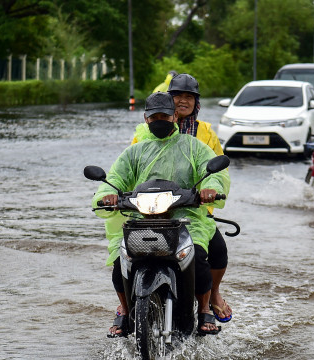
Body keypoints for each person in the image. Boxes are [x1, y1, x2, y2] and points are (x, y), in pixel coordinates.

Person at [94, 92, 230, 337]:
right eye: (154, 116)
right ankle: (124, 311)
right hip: (142, 219)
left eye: (164, 116)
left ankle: (203, 309)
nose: (159, 120)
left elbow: (212, 173)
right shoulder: (134, 152)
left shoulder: (193, 146)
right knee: (119, 264)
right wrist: (108, 194)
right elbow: (114, 178)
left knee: (198, 258)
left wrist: (211, 189)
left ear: (175, 116)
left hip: (185, 218)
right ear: (146, 119)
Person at [134, 73, 232, 323]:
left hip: (193, 206)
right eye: (178, 96)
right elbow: (129, 167)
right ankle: (126, 305)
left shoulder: (205, 134)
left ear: (196, 102)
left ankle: (211, 298)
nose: (183, 101)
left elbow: (216, 168)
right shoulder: (146, 133)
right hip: (151, 206)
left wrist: (209, 191)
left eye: (190, 97)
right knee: (124, 254)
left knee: (216, 252)